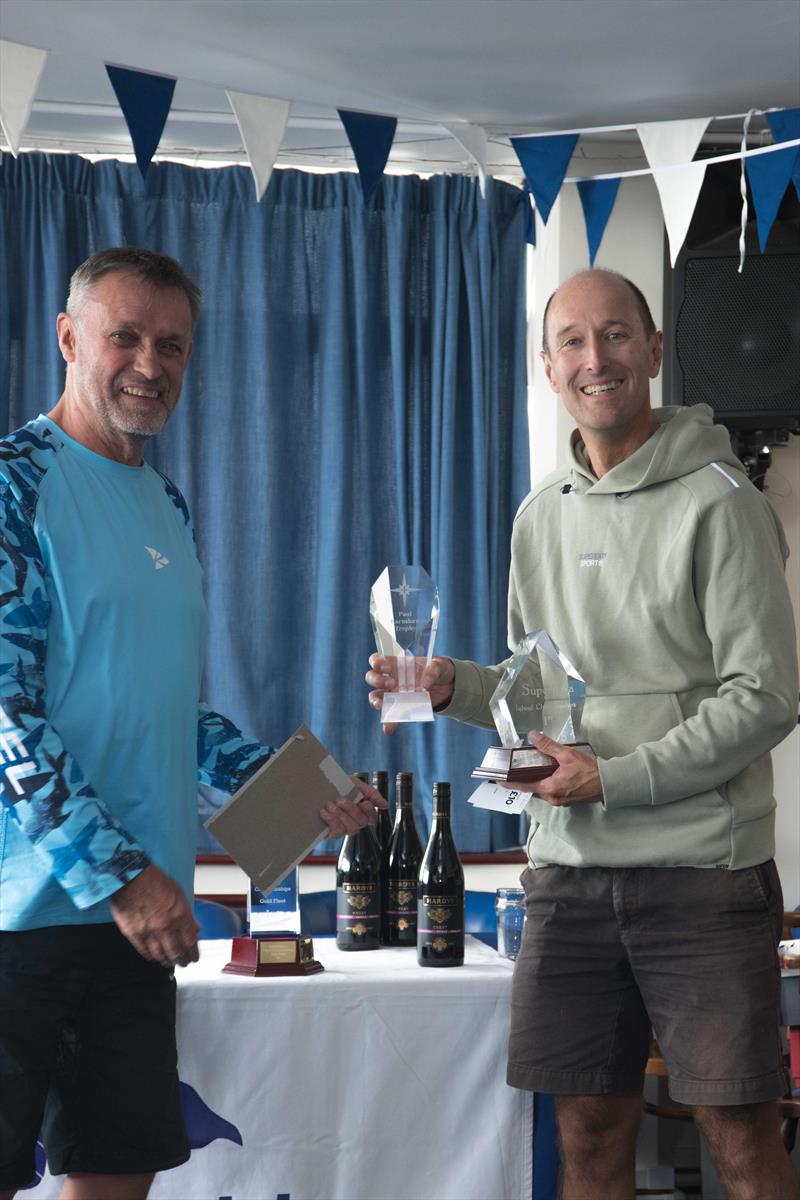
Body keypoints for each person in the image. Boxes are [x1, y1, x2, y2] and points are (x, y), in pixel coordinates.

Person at [367, 268, 799, 1200]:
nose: (594, 358)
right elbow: (538, 694)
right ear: (547, 366)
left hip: (702, 877)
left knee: (739, 1135)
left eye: (615, 335)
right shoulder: (539, 516)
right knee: (587, 1135)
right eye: (571, 340)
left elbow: (766, 697)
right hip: (567, 876)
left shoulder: (722, 501)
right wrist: (452, 684)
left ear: (653, 351)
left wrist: (613, 778)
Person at [0, 247, 385, 1200]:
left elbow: (163, 704)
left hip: (136, 921)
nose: (150, 364)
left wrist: (293, 788)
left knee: (119, 1177)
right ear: (68, 338)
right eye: (125, 337)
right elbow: (7, 712)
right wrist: (123, 877)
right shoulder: (14, 484)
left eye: (171, 345)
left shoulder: (167, 504)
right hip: (24, 913)